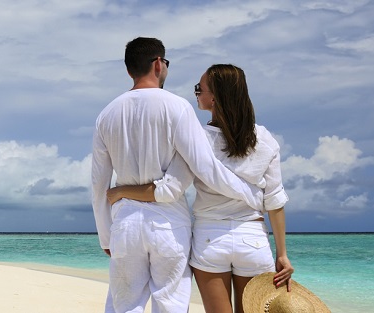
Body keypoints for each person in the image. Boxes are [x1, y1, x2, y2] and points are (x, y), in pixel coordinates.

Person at [91, 38, 265, 313]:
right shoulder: (177, 107)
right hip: (168, 224)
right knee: (171, 304)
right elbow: (205, 167)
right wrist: (252, 195)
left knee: (124, 306)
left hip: (125, 224)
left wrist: (105, 236)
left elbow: (98, 184)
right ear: (158, 64)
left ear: (129, 71)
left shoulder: (107, 114)